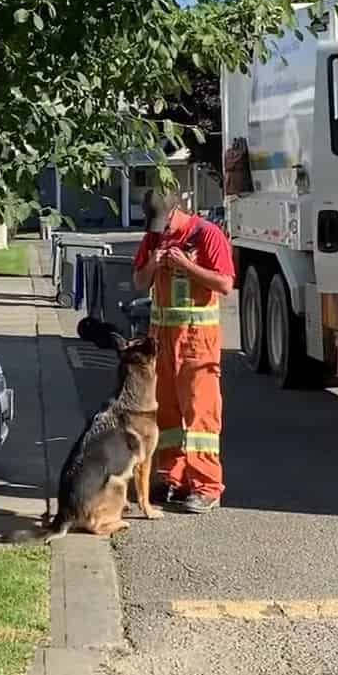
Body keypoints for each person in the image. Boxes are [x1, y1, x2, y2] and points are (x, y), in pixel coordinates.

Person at [132, 188, 236, 513]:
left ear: (178, 211)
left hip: (197, 343)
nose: (160, 231)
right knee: (166, 413)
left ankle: (206, 486)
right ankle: (172, 478)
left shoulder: (207, 235)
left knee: (201, 414)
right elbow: (139, 282)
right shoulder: (153, 237)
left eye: (164, 224)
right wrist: (153, 261)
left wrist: (186, 266)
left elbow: (224, 284)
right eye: (155, 226)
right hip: (162, 342)